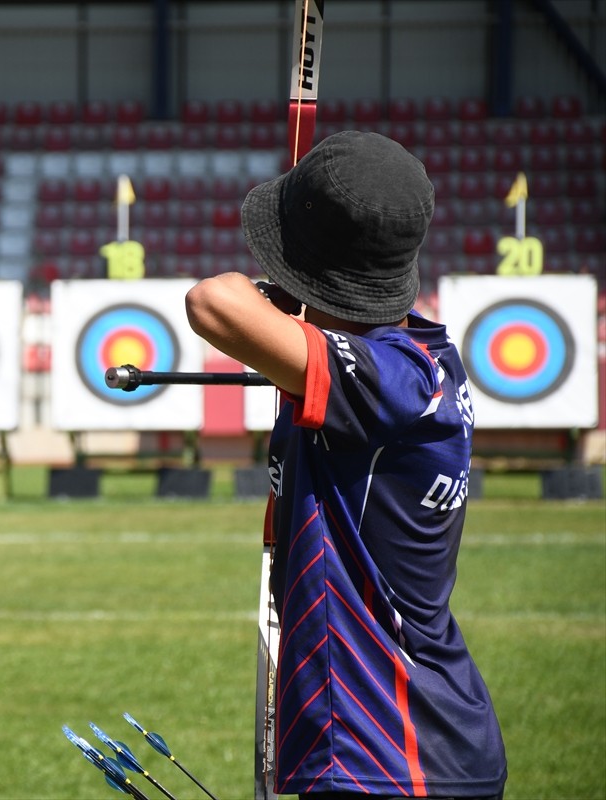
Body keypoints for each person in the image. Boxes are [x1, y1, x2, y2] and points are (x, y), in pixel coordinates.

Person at [185, 131, 507, 798]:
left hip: (390, 751)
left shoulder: (392, 383)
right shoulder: (412, 358)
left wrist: (287, 290)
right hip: (396, 745)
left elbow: (213, 302)